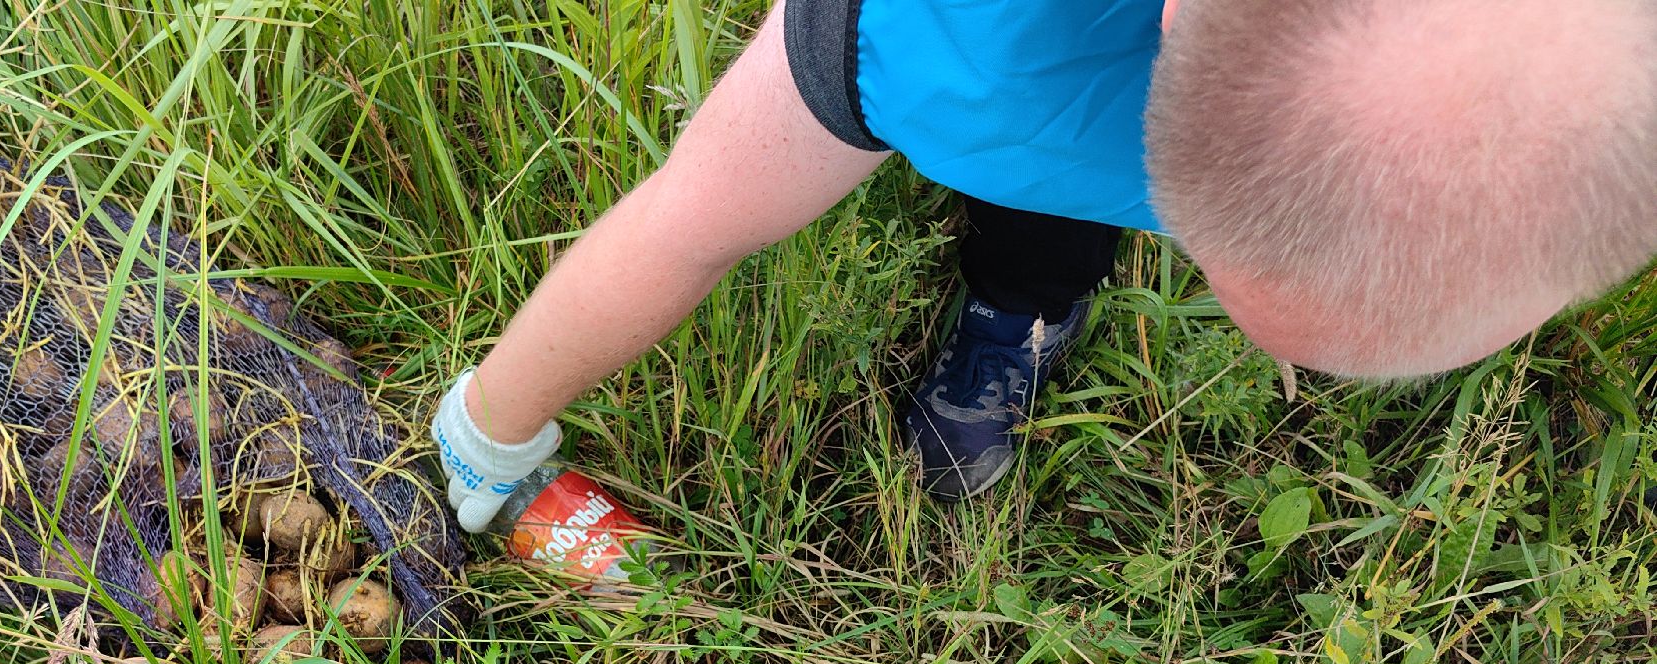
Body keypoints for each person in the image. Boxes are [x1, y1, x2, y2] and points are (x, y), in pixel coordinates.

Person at [431, 0, 1657, 528]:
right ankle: (1020, 280)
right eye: (1212, 232)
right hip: (1002, 62)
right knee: (1030, 154)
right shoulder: (928, 32)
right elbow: (686, 221)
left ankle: (1022, 303)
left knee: (1061, 183)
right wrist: (495, 424)